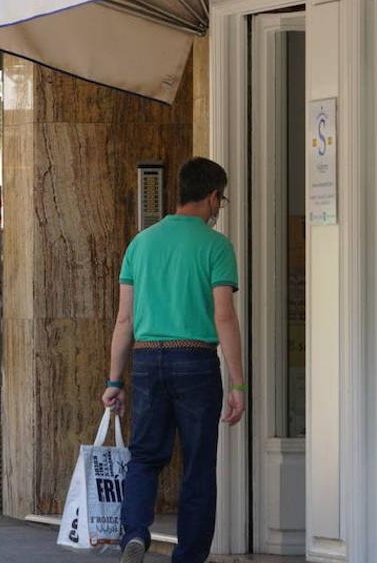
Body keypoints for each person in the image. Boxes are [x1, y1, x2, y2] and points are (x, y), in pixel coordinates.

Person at [103, 157, 246, 563]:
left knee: (145, 456)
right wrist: (237, 383)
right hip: (195, 360)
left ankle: (134, 533)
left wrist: (115, 381)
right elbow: (224, 316)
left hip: (147, 360)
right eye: (221, 200)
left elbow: (124, 319)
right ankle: (188, 557)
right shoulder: (216, 246)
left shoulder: (141, 243)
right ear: (213, 196)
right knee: (198, 465)